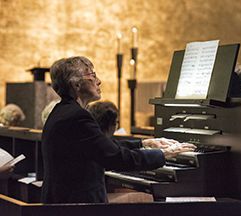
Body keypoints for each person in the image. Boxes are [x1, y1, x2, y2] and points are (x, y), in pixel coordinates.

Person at [41, 56, 196, 204]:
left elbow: (103, 147)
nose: (99, 81)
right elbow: (115, 157)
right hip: (77, 207)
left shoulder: (63, 111)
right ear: (76, 85)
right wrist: (164, 154)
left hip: (65, 202)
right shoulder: (76, 116)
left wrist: (144, 143)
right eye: (92, 75)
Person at [87, 100, 188, 151]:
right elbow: (121, 154)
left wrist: (145, 143)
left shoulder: (92, 140)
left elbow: (117, 146)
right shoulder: (101, 147)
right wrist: (164, 153)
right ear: (112, 125)